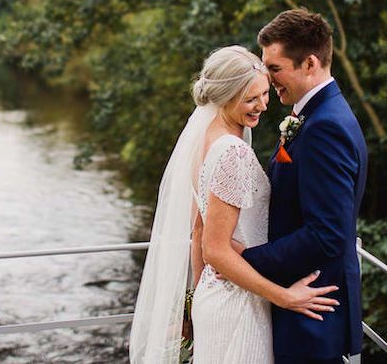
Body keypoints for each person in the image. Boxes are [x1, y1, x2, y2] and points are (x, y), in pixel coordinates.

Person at [129, 45, 339, 364]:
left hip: (216, 296)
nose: (263, 106)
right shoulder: (232, 153)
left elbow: (200, 232)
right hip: (240, 302)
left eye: (265, 94)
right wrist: (285, 298)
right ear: (226, 96)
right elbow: (215, 249)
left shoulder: (205, 141)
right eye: (251, 99)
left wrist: (199, 297)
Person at [241, 9, 368, 364]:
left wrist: (245, 262)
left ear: (309, 64)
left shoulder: (325, 127)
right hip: (302, 300)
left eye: (275, 69)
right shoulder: (318, 115)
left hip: (311, 307)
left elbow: (327, 233)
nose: (267, 79)